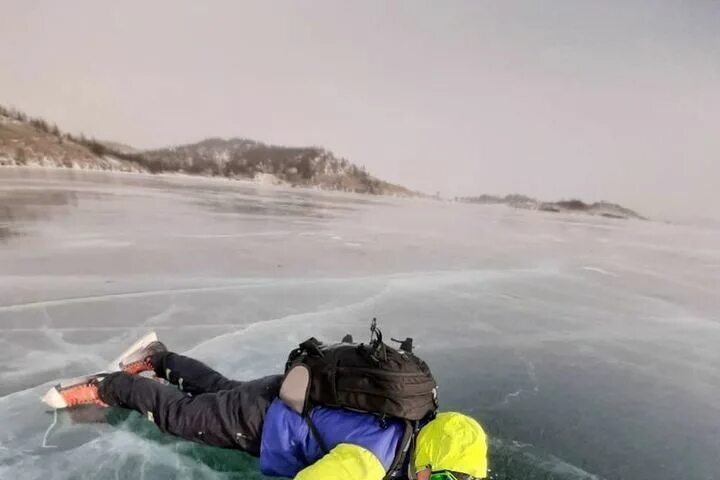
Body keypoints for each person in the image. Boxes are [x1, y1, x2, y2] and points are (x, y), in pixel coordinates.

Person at [51, 340, 488, 480]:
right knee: (181, 416)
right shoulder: (368, 462)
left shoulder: (410, 420)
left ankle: (160, 357)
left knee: (218, 389)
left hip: (282, 395)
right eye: (445, 478)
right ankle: (112, 385)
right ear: (430, 460)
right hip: (263, 422)